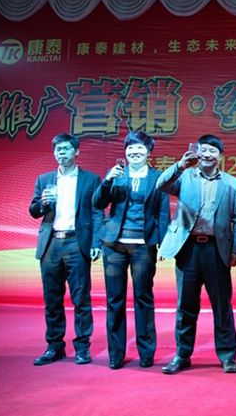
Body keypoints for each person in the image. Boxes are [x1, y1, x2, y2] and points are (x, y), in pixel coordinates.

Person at [156, 135, 236, 375]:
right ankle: (182, 355)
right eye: (203, 150)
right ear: (197, 152)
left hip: (217, 250)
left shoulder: (231, 183)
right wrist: (180, 165)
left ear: (220, 156)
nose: (207, 154)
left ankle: (228, 356)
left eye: (212, 151)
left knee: (222, 306)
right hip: (189, 249)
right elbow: (161, 185)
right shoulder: (185, 177)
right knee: (186, 306)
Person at [92, 131, 170, 369]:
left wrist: (164, 243)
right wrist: (107, 181)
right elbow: (98, 203)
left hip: (143, 246)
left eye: (140, 148)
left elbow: (163, 213)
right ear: (125, 152)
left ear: (149, 152)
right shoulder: (116, 175)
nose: (135, 152)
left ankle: (146, 352)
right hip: (114, 246)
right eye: (130, 148)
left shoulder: (157, 178)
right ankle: (116, 354)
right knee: (114, 299)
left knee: (143, 298)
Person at [29, 133, 103, 366]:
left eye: (66, 149)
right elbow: (34, 211)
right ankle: (54, 346)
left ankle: (82, 347)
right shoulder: (44, 179)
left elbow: (97, 212)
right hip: (51, 244)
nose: (61, 153)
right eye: (57, 150)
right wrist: (43, 203)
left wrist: (96, 242)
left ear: (76, 151)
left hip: (76, 243)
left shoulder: (90, 180)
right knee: (52, 298)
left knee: (81, 298)